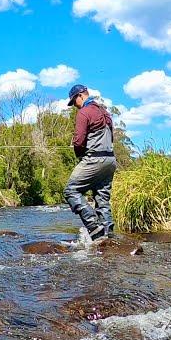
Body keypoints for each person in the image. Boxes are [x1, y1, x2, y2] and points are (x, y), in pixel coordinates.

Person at [63, 84, 117, 241]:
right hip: (110, 161)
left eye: (74, 101)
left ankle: (93, 227)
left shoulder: (84, 112)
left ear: (81, 95)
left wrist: (80, 156)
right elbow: (111, 138)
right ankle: (108, 236)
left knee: (70, 191)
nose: (74, 105)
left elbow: (78, 142)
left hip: (94, 159)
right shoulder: (106, 113)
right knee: (102, 199)